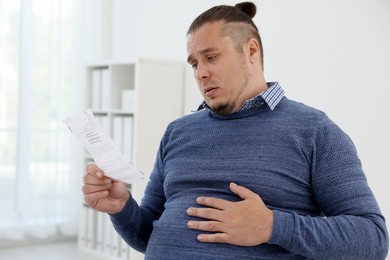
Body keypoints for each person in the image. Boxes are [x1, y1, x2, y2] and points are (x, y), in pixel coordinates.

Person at [82, 2, 389, 259]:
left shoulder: (314, 131)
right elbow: (148, 233)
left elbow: (374, 239)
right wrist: (121, 207)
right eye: (193, 63)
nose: (201, 73)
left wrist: (272, 225)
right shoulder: (178, 132)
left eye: (211, 57)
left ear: (251, 51)